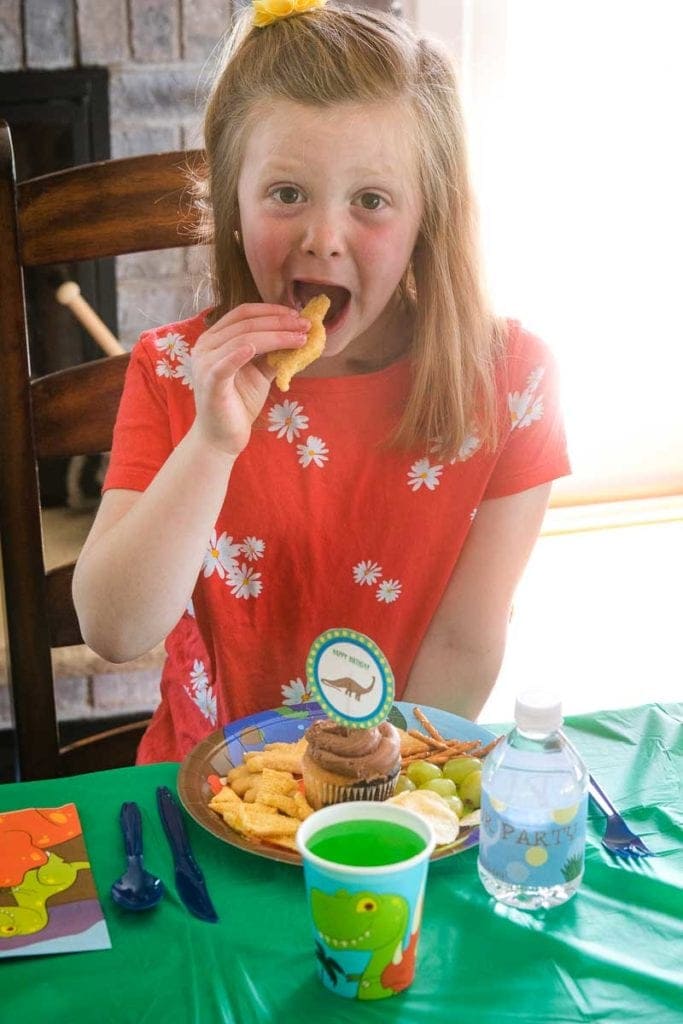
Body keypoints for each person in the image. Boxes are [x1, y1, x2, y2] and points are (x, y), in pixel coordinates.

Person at [72, 0, 570, 764]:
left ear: (426, 217)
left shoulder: (510, 383)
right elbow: (113, 629)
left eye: (370, 201)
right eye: (286, 193)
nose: (323, 238)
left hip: (401, 770)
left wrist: (368, 785)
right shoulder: (175, 371)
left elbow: (467, 642)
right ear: (231, 202)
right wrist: (211, 443)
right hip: (210, 788)